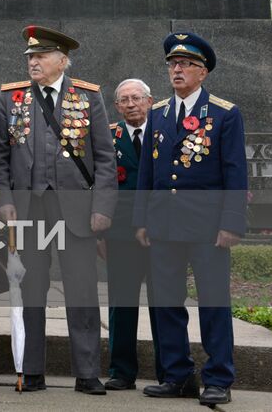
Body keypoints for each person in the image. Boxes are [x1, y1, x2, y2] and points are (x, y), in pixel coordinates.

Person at [0, 27, 114, 394]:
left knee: (82, 290)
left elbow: (106, 158)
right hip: (29, 209)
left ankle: (88, 371)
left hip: (75, 210)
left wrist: (102, 207)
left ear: (62, 60)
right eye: (30, 57)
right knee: (31, 288)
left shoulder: (88, 97)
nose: (33, 62)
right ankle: (31, 370)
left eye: (40, 56)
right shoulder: (10, 98)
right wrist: (4, 201)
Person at [134, 33, 245, 406]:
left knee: (213, 302)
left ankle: (218, 378)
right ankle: (177, 375)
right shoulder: (158, 113)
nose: (176, 70)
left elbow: (235, 173)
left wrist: (231, 223)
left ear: (203, 72)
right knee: (166, 302)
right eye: (172, 65)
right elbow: (147, 174)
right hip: (163, 224)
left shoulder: (224, 113)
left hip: (207, 227)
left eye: (185, 65)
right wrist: (141, 220)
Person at [103, 78, 162, 391]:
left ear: (150, 101)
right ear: (116, 106)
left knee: (163, 304)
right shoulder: (107, 137)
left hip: (159, 234)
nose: (130, 105)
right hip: (121, 235)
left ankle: (168, 372)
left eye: (136, 98)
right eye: (123, 100)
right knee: (121, 304)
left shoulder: (166, 135)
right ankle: (122, 371)